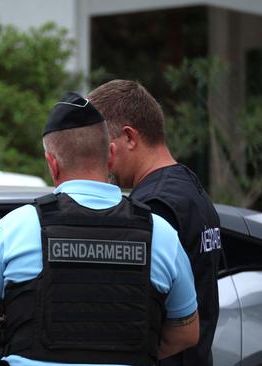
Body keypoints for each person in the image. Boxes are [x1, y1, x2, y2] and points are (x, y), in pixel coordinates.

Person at [0, 91, 200, 366]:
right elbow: (187, 332)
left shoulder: (16, 227)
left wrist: (15, 346)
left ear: (52, 164)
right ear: (109, 155)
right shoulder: (160, 233)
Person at [88, 80, 222, 366]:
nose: (103, 160)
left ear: (130, 137)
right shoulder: (191, 189)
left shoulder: (153, 207)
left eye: (105, 147)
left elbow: (135, 314)